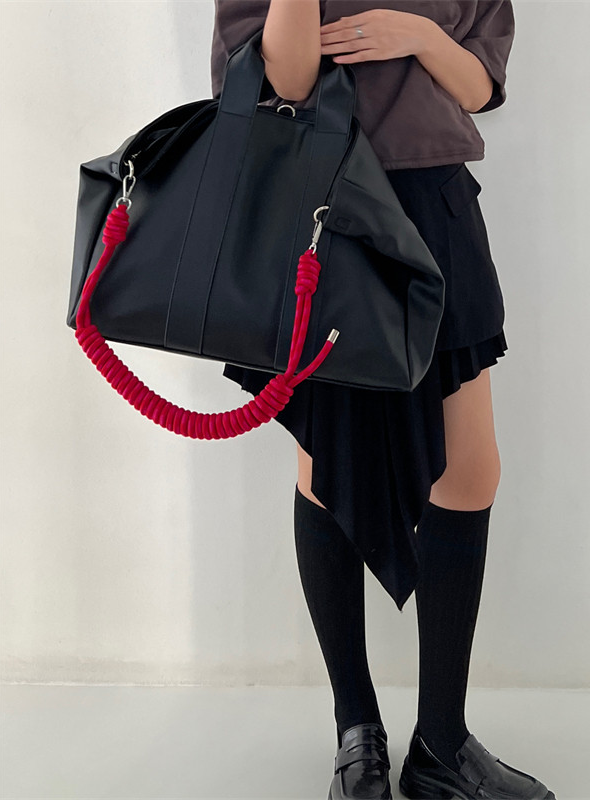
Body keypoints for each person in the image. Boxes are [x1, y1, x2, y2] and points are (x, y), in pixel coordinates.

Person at [211, 2, 556, 798]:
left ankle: (442, 741)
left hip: (436, 207)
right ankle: (355, 729)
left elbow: (480, 87)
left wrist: (422, 37)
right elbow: (282, 80)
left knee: (470, 471)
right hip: (323, 211)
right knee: (326, 462)